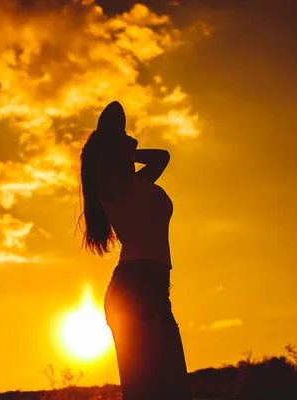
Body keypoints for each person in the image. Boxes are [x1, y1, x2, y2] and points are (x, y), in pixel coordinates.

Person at [77, 100, 189, 399]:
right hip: (133, 289)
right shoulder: (110, 186)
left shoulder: (134, 182)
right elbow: (108, 137)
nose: (131, 138)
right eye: (124, 137)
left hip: (154, 290)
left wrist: (126, 150)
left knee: (174, 388)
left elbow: (162, 157)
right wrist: (114, 145)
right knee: (145, 391)